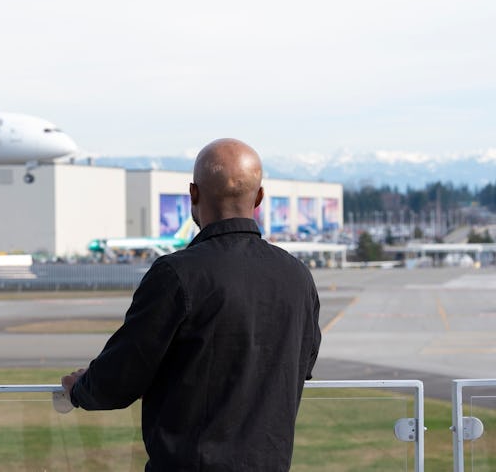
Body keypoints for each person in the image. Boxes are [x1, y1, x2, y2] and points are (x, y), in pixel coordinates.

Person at [62, 138, 321, 471]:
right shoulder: (297, 275)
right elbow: (303, 363)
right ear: (259, 198)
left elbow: (121, 378)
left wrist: (79, 389)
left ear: (193, 195)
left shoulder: (175, 274)